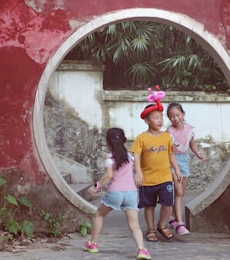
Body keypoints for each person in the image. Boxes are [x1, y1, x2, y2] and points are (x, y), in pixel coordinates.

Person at [83, 127, 152, 260]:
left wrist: (96, 186)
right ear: (124, 140)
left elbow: (109, 175)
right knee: (135, 225)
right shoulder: (129, 157)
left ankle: (93, 244)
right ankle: (142, 249)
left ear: (107, 142)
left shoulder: (109, 158)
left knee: (99, 214)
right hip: (131, 193)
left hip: (115, 192)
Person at [130, 87, 182, 242]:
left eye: (160, 117)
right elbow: (136, 156)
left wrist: (176, 169)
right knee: (149, 206)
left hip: (165, 177)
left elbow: (170, 154)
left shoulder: (167, 136)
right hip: (147, 179)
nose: (159, 120)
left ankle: (163, 225)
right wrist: (138, 173)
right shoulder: (141, 138)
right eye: (155, 118)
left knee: (168, 203)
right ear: (147, 120)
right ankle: (151, 229)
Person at [166, 102, 206, 236]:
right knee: (178, 192)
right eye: (172, 116)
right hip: (172, 161)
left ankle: (172, 217)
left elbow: (192, 145)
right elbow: (167, 149)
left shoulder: (189, 129)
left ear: (183, 114)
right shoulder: (169, 131)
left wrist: (198, 153)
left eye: (177, 115)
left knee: (181, 192)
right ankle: (180, 223)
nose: (175, 118)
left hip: (184, 161)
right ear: (169, 118)